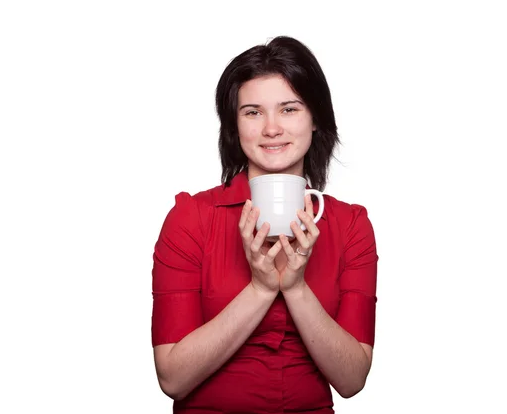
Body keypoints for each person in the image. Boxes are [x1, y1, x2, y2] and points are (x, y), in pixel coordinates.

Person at [150, 36, 378, 414]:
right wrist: (259, 290)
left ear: (316, 118)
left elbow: (352, 380)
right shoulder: (190, 218)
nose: (272, 128)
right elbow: (172, 378)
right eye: (253, 112)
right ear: (234, 125)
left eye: (289, 109)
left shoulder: (351, 225)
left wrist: (296, 288)